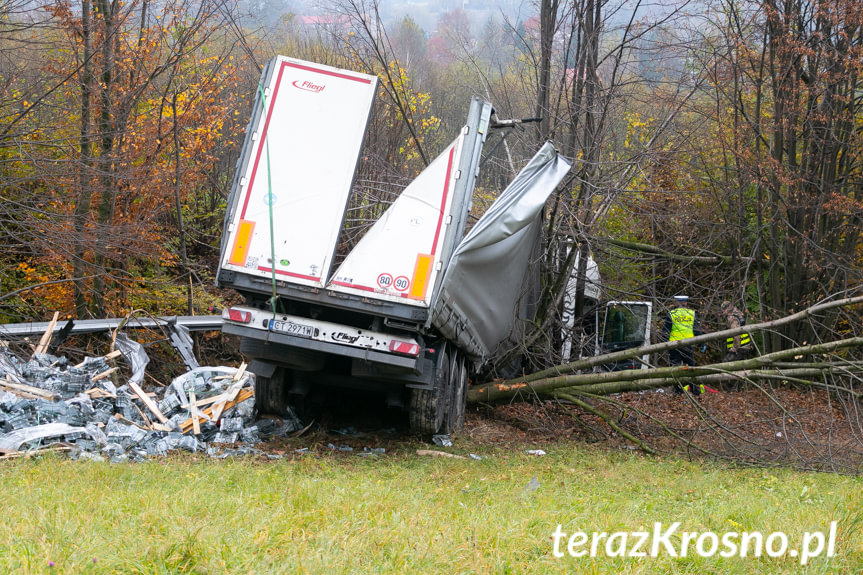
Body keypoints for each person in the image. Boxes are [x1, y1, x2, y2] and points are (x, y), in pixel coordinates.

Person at [665, 295, 703, 394]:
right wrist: (701, 343)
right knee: (690, 367)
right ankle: (695, 389)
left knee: (675, 368)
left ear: (676, 302)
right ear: (686, 302)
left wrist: (663, 345)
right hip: (688, 345)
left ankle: (677, 390)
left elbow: (665, 331)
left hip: (674, 345)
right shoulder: (692, 313)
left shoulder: (671, 314)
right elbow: (697, 330)